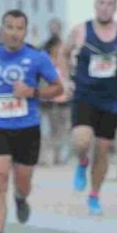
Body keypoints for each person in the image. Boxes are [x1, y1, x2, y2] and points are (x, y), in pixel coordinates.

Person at [0, 9, 64, 233]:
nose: (14, 33)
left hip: (27, 128)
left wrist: (32, 93)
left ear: (25, 32)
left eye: (19, 28)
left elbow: (58, 88)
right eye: (9, 27)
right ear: (1, 29)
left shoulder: (38, 58)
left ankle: (20, 198)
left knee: (23, 182)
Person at [62, 0, 117, 215]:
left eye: (109, 3)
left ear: (116, 7)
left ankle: (94, 195)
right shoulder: (80, 30)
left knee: (102, 149)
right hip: (85, 95)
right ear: (95, 5)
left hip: (112, 99)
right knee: (81, 140)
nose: (105, 7)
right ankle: (81, 162)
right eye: (101, 2)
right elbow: (63, 52)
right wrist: (66, 78)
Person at [39, 33, 71, 166]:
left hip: (61, 100)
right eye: (58, 46)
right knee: (44, 129)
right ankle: (44, 157)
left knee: (59, 129)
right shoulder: (43, 59)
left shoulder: (63, 61)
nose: (60, 48)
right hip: (45, 99)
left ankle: (58, 157)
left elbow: (66, 79)